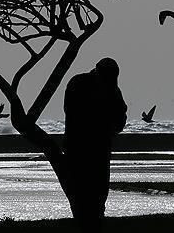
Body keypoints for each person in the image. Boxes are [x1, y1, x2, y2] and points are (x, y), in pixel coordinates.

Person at [63, 57, 128, 232]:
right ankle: (90, 219)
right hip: (82, 146)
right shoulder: (80, 83)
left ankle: (93, 218)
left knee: (95, 188)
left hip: (92, 146)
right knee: (86, 187)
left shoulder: (109, 88)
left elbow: (120, 117)